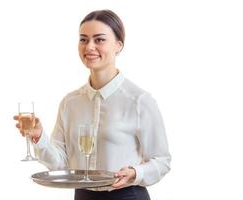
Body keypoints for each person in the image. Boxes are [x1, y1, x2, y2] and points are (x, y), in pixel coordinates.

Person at [14, 9, 171, 200]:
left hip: (127, 195)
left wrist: (135, 172)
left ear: (118, 45)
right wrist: (39, 137)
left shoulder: (139, 101)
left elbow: (162, 161)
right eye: (83, 39)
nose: (89, 46)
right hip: (83, 196)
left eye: (99, 39)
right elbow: (60, 165)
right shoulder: (70, 103)